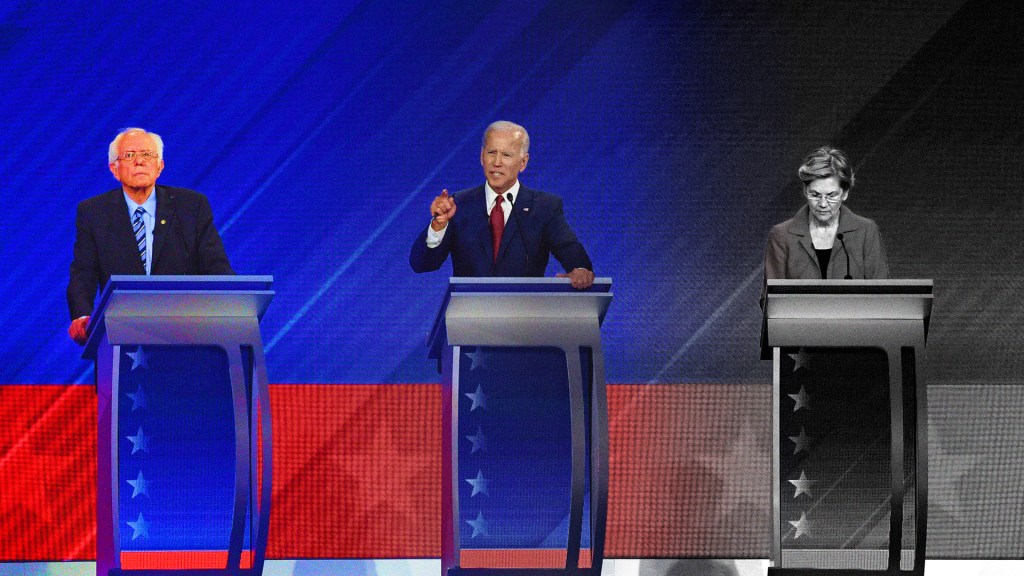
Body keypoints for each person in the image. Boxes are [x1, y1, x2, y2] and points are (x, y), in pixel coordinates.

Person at [66, 127, 234, 344]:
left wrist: (232, 306)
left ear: (159, 166)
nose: (139, 161)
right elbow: (83, 272)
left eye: (147, 155)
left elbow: (216, 266)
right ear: (114, 169)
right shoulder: (93, 212)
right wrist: (82, 316)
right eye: (129, 155)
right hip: (121, 333)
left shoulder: (191, 206)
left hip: (186, 331)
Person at [409, 121, 594, 289]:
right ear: (482, 157)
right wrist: (438, 226)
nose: (497, 163)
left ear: (523, 162)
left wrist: (580, 270)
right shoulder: (459, 205)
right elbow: (421, 264)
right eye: (491, 153)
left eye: (506, 155)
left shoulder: (544, 207)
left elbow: (573, 254)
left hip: (524, 318)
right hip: (470, 318)